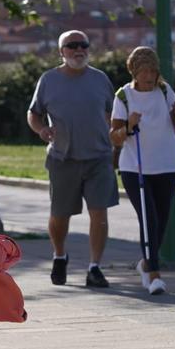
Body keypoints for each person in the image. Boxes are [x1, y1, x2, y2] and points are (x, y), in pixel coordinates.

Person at [27, 30, 119, 288]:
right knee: (60, 216)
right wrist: (41, 129)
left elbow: (113, 114)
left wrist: (119, 134)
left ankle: (94, 268)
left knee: (99, 214)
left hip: (99, 157)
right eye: (72, 46)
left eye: (83, 45)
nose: (79, 50)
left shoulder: (100, 79)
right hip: (62, 158)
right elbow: (33, 114)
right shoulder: (49, 80)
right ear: (61, 52)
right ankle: (59, 255)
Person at [109, 46, 175, 295]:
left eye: (152, 70)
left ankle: (145, 263)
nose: (149, 76)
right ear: (134, 71)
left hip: (166, 163)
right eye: (143, 71)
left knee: (161, 220)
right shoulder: (123, 96)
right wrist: (129, 125)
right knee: (149, 218)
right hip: (136, 167)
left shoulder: (164, 91)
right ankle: (154, 275)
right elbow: (115, 138)